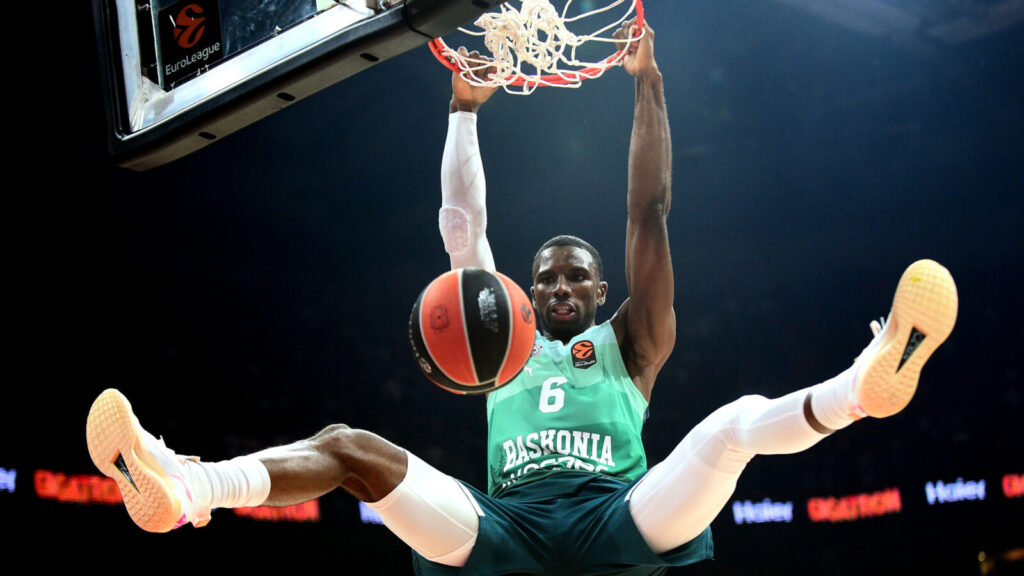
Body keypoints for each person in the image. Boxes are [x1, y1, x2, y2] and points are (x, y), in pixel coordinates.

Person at [86, 20, 958, 575]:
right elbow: (464, 234)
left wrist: (647, 81)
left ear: (604, 290)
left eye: (577, 273)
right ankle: (190, 485)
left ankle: (865, 378)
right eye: (545, 276)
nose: (560, 283)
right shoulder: (499, 343)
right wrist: (463, 109)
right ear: (529, 295)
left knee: (731, 430)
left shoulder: (634, 342)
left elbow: (647, 211)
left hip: (622, 517)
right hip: (501, 531)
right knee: (350, 448)